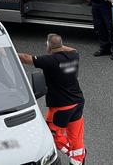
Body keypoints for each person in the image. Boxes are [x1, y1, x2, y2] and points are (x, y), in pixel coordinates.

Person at [18, 34, 86, 165]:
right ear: (62, 45)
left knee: (52, 135)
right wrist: (58, 46)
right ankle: (77, 160)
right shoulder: (74, 55)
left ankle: (73, 154)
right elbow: (71, 49)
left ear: (48, 45)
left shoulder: (49, 61)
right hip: (78, 102)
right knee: (76, 136)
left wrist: (7, 52)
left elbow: (25, 58)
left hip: (61, 107)